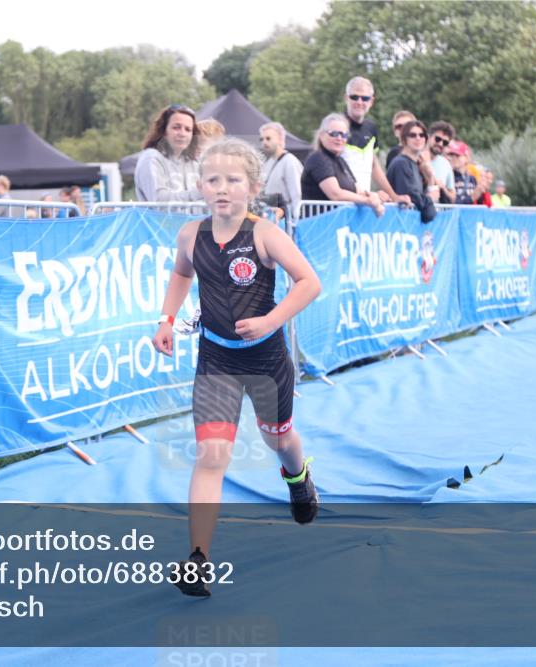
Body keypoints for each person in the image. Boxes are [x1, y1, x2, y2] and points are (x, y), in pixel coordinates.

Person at [153, 138, 322, 597]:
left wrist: (271, 320)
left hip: (265, 359)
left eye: (233, 180)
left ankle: (298, 478)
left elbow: (309, 282)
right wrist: (167, 319)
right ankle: (198, 560)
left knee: (278, 439)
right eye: (212, 180)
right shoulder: (191, 234)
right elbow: (182, 273)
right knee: (211, 455)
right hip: (217, 359)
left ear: (253, 187)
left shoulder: (265, 234)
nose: (222, 188)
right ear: (200, 186)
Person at [301, 113, 385, 217]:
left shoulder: (341, 161)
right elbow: (335, 194)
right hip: (317, 223)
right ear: (321, 136)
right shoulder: (318, 158)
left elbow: (359, 191)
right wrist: (368, 201)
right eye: (334, 134)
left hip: (338, 223)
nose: (339, 138)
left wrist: (375, 196)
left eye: (344, 135)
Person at [342, 76, 409, 204]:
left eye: (365, 98)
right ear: (346, 98)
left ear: (371, 101)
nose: (359, 102)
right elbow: (332, 168)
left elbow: (374, 165)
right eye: (354, 97)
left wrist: (394, 196)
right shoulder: (336, 126)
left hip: (365, 202)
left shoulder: (371, 127)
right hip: (341, 203)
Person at [135, 104, 203, 202]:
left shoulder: (195, 161)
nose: (182, 134)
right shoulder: (151, 158)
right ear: (163, 131)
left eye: (188, 129)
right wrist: (198, 194)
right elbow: (159, 200)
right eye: (176, 127)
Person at [386, 120, 438, 223]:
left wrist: (430, 177)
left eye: (421, 135)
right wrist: (430, 199)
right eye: (413, 135)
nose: (418, 138)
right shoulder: (401, 163)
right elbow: (413, 198)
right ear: (404, 139)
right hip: (399, 224)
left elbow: (428, 208)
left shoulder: (417, 165)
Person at [259, 121, 303, 219]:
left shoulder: (290, 161)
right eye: (262, 139)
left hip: (286, 218)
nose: (264, 142)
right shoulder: (268, 163)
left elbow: (297, 195)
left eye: (268, 138)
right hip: (271, 217)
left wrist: (295, 221)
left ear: (280, 139)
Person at [445, 140, 488, 206]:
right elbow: (450, 203)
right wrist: (472, 198)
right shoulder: (448, 177)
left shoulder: (472, 179)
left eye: (457, 155)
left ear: (467, 158)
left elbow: (480, 203)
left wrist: (482, 191)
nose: (453, 158)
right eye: (451, 155)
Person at [427, 121, 456, 204]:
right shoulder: (416, 158)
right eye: (437, 139)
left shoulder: (446, 164)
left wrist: (443, 188)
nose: (440, 144)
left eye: (445, 142)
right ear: (428, 137)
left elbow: (453, 197)